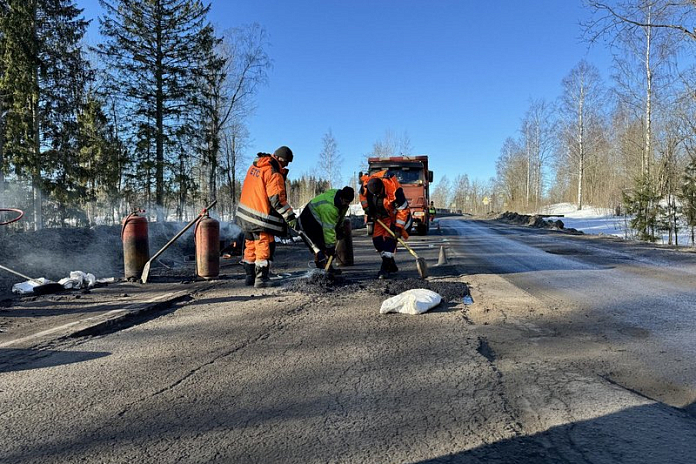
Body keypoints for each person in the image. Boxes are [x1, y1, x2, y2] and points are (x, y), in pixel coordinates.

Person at [235, 146, 296, 288]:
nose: (286, 166)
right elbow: (277, 200)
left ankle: (250, 277)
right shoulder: (273, 172)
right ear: (281, 159)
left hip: (245, 215)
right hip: (259, 217)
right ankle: (261, 279)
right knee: (264, 245)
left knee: (250, 245)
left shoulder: (255, 166)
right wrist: (290, 217)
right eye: (286, 163)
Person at [359, 170, 412, 279]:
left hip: (395, 216)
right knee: (377, 241)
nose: (377, 196)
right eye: (375, 195)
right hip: (380, 217)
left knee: (389, 241)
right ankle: (391, 264)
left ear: (382, 187)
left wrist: (398, 228)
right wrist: (368, 209)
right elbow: (363, 198)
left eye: (379, 193)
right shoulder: (366, 187)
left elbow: (403, 210)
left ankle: (385, 268)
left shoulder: (395, 191)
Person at [298, 186, 354, 273]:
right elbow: (328, 229)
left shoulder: (342, 203)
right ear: (341, 198)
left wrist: (339, 229)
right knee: (320, 247)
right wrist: (330, 247)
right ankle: (323, 269)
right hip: (308, 221)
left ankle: (327, 268)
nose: (347, 204)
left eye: (349, 202)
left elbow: (339, 218)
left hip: (319, 220)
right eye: (346, 202)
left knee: (328, 246)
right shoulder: (330, 207)